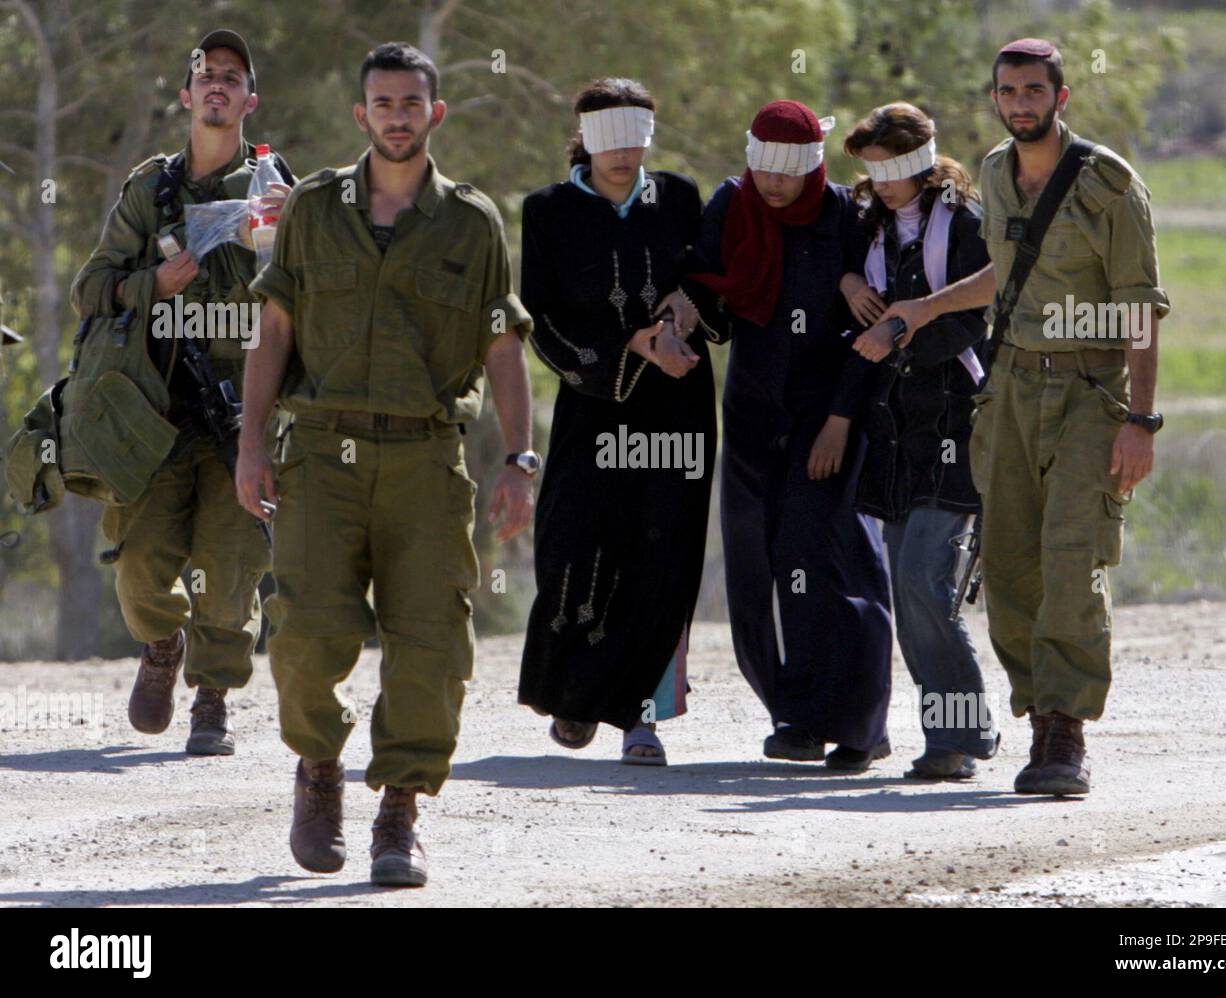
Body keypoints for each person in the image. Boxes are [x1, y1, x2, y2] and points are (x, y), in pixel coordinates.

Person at [238, 42, 534, 886]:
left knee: (432, 641)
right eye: (382, 102)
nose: (396, 115)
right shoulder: (312, 211)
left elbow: (502, 342)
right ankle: (320, 773)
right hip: (319, 459)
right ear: (360, 114)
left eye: (411, 102)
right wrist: (250, 442)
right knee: (302, 635)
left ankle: (399, 810)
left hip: (425, 462)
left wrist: (519, 458)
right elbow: (277, 329)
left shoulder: (472, 221)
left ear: (434, 114)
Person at [871, 39, 1170, 795]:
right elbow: (1005, 274)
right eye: (1008, 92)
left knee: (1072, 560)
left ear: (1061, 98)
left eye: (1035, 90)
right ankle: (1036, 714)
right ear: (996, 99)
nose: (1021, 103)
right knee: (1006, 567)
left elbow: (1140, 308)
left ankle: (1066, 734)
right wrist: (926, 307)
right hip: (1007, 395)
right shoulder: (998, 172)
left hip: (1087, 398)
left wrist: (1142, 420)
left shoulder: (1110, 185)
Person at [70, 29, 293, 757]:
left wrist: (296, 236)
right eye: (207, 75)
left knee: (232, 565)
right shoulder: (151, 189)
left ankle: (213, 697)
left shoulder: (274, 184)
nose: (219, 85)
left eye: (234, 76)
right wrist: (151, 285)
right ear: (188, 96)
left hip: (247, 413)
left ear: (250, 99)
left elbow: (317, 294)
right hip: (158, 414)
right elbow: (89, 290)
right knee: (139, 568)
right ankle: (161, 645)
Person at [517, 79, 717, 766]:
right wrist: (630, 346)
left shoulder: (681, 197)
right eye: (610, 136)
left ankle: (641, 716)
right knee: (572, 545)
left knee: (661, 552)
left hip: (678, 402)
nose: (624, 152)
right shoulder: (547, 211)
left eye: (636, 136)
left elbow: (712, 282)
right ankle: (574, 695)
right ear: (584, 138)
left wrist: (685, 309)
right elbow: (539, 319)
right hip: (594, 403)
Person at [692, 100, 893, 773]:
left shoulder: (848, 214)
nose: (773, 186)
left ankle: (861, 726)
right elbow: (705, 285)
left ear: (813, 167)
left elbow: (869, 334)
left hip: (828, 414)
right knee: (766, 564)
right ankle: (798, 717)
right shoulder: (732, 204)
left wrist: (840, 421)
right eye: (763, 170)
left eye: (787, 174)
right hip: (753, 413)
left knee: (839, 561)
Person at [842, 103, 1001, 779]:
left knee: (923, 585)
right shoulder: (868, 227)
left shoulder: (964, 224)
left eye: (889, 169)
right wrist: (848, 281)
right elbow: (831, 274)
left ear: (920, 164)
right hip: (894, 436)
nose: (879, 182)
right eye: (870, 171)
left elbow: (974, 317)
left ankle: (963, 734)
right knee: (910, 594)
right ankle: (952, 737)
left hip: (955, 426)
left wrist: (898, 336)